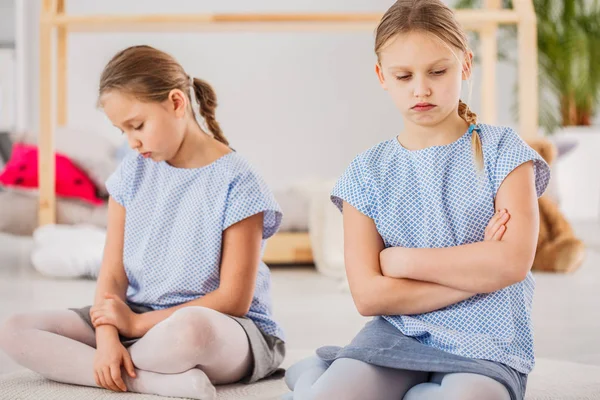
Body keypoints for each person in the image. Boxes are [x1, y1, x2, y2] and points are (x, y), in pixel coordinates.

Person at [284, 1, 549, 399]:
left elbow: (511, 264)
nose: (421, 89)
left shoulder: (505, 152)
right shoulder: (365, 172)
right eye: (403, 75)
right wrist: (478, 273)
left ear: (465, 65)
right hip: (398, 331)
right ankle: (313, 378)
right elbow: (370, 296)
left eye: (437, 72)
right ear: (381, 76)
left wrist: (402, 262)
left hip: (488, 341)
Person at [0, 45, 285, 400]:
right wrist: (106, 339)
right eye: (122, 131)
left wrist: (136, 325)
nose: (132, 142)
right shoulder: (131, 174)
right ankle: (147, 380)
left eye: (137, 125)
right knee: (14, 330)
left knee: (190, 331)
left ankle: (108, 369)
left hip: (223, 329)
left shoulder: (239, 181)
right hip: (135, 319)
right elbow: (113, 276)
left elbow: (233, 300)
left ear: (177, 103)